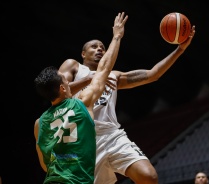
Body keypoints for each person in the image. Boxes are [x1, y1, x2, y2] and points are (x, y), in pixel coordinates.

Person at [59, 23, 196, 184]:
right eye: (94, 47)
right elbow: (59, 91)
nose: (99, 49)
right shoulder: (73, 66)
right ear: (83, 53)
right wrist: (90, 79)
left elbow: (153, 74)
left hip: (112, 136)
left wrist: (180, 49)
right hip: (83, 140)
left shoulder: (113, 76)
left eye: (102, 47)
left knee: (149, 177)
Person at [33, 12, 128, 184]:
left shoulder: (40, 123)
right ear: (63, 87)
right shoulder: (80, 104)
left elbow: (45, 165)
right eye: (66, 82)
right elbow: (104, 69)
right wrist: (117, 36)